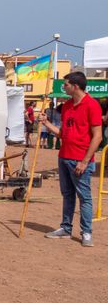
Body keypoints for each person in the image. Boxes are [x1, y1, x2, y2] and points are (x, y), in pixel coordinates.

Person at [40, 71, 102, 247]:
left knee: (84, 197)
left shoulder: (92, 105)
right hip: (64, 157)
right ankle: (66, 227)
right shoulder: (67, 106)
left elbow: (97, 136)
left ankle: (86, 232)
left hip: (80, 159)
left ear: (75, 86)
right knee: (67, 195)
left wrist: (84, 161)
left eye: (65, 84)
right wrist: (46, 124)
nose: (63, 87)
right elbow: (63, 134)